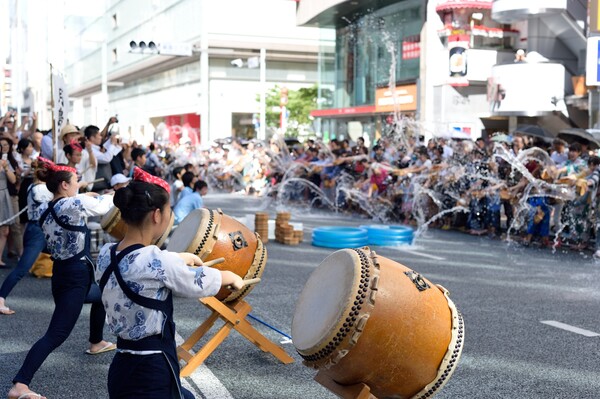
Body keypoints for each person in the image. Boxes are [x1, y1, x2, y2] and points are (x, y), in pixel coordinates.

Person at [95, 167, 243, 398]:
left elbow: (137, 264)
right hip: (152, 367)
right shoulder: (157, 260)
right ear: (156, 215)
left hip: (122, 364)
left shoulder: (105, 254)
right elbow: (196, 282)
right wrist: (229, 277)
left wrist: (178, 258)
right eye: (168, 211)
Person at [7, 157, 115, 399]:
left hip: (68, 275)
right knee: (56, 334)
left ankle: (96, 342)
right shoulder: (69, 205)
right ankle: (20, 384)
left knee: (102, 296)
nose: (79, 183)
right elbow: (102, 206)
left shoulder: (49, 210)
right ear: (64, 185)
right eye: (76, 180)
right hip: (74, 278)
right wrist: (114, 193)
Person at [0, 161, 52, 315]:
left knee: (67, 258)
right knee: (22, 269)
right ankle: (1, 298)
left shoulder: (33, 186)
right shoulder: (40, 189)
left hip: (41, 230)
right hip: (38, 232)